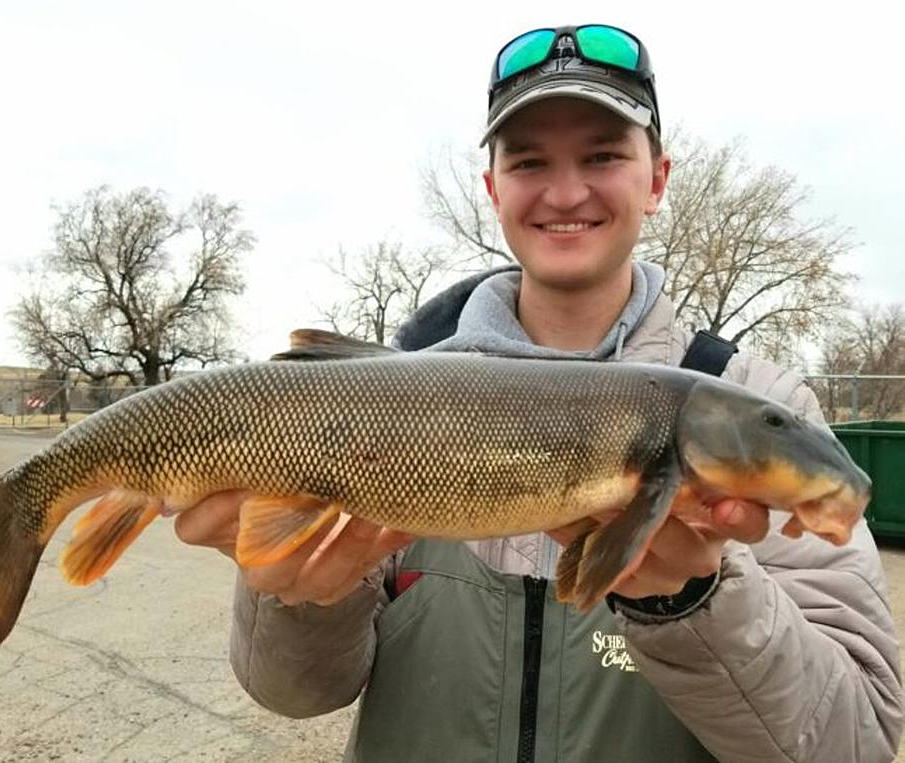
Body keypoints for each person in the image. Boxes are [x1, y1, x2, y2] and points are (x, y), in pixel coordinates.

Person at [175, 24, 903, 761]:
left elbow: (861, 744)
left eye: (603, 155)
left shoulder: (761, 409)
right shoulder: (382, 398)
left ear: (657, 178)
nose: (565, 191)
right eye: (529, 161)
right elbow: (294, 693)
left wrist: (696, 594)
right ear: (492, 188)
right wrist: (290, 593)